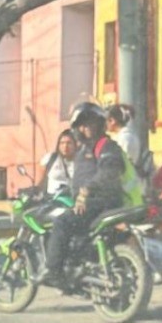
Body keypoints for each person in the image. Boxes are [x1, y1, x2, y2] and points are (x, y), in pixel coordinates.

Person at [34, 102, 126, 286]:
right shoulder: (84, 150)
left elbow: (108, 172)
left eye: (90, 123)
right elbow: (80, 178)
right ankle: (76, 268)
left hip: (101, 202)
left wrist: (86, 191)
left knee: (61, 222)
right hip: (88, 202)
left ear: (99, 124)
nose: (86, 128)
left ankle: (53, 270)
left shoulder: (107, 146)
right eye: (82, 125)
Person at [39, 129, 78, 195]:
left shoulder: (80, 162)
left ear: (75, 145)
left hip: (72, 198)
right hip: (51, 198)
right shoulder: (50, 158)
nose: (65, 146)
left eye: (69, 143)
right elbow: (40, 180)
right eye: (62, 143)